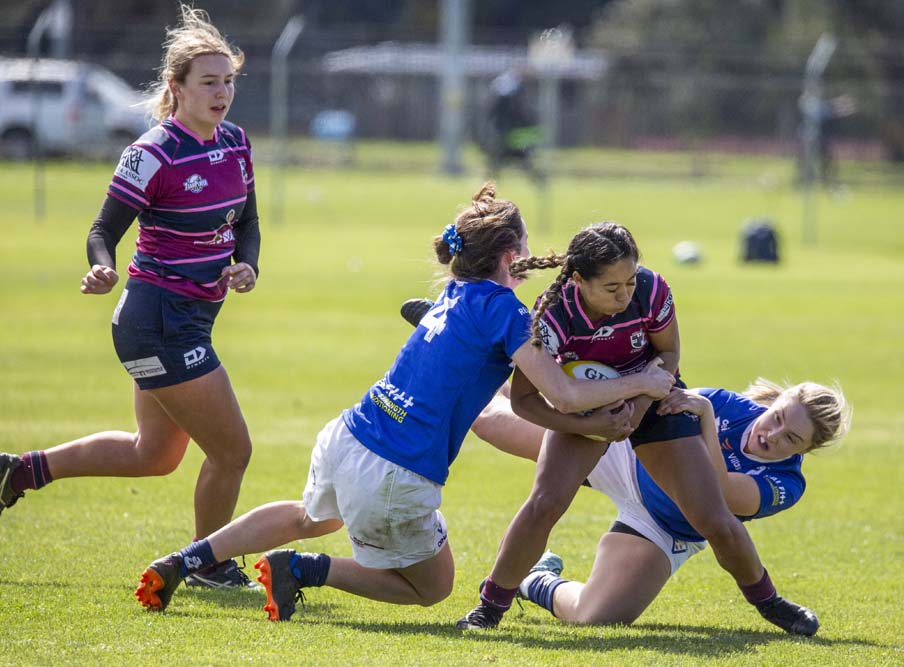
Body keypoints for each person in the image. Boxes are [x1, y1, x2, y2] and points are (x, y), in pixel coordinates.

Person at [133, 184, 676, 618]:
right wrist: (643, 382)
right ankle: (301, 569)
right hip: (397, 469)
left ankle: (189, 556)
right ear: (511, 255)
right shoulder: (506, 312)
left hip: (349, 435)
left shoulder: (456, 292)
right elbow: (563, 393)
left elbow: (484, 373)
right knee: (432, 587)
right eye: (526, 247)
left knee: (308, 514)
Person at [0, 5, 263, 589]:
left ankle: (20, 473)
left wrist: (247, 264)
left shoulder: (235, 143)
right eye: (209, 82)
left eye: (228, 81)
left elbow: (248, 222)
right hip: (159, 321)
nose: (222, 93)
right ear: (177, 87)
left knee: (153, 455)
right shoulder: (152, 152)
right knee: (233, 452)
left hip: (182, 320)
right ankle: (208, 565)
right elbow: (102, 230)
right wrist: (102, 268)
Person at [455, 222, 818, 635]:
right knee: (545, 502)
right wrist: (590, 423)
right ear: (579, 280)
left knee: (713, 517)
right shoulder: (553, 314)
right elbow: (525, 401)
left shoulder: (651, 290)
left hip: (652, 402)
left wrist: (638, 407)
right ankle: (490, 607)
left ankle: (770, 603)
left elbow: (669, 354)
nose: (625, 296)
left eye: (629, 282)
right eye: (612, 288)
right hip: (589, 410)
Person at [514, 380, 850, 635]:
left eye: (791, 438)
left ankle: (534, 578)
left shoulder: (786, 484)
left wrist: (705, 417)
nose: (773, 434)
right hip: (627, 458)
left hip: (663, 526)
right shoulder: (728, 403)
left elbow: (720, 492)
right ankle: (498, 370)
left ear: (805, 450)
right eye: (776, 417)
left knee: (595, 617)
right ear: (774, 403)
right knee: (495, 422)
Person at [481, 66, 545, 187]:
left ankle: (487, 185)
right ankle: (539, 181)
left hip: (507, 131)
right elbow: (515, 110)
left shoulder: (505, 85)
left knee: (504, 160)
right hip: (507, 131)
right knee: (514, 158)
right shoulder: (510, 88)